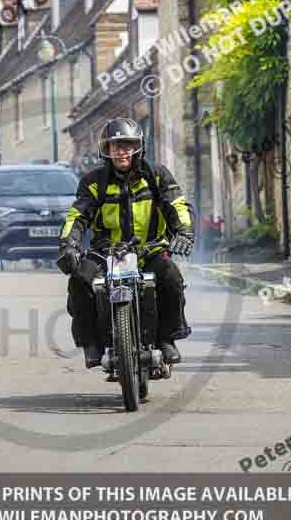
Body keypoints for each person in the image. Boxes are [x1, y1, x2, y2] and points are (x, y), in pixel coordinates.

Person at [57, 117, 195, 369]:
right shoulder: (93, 182)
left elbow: (177, 205)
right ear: (105, 150)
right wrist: (68, 245)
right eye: (114, 146)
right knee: (79, 280)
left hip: (149, 249)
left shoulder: (157, 175)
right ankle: (91, 343)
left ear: (138, 147)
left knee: (171, 277)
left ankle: (166, 339)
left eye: (127, 145)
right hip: (105, 252)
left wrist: (184, 233)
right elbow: (77, 216)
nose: (121, 151)